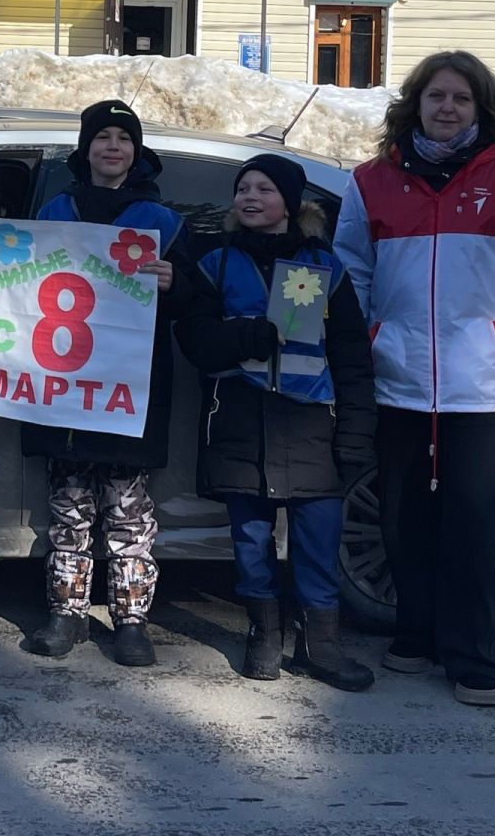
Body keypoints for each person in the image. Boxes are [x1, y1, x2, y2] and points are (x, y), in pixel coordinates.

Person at [334, 51, 495, 707]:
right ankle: (416, 633)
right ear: (416, 104)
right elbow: (349, 273)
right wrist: (357, 351)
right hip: (396, 377)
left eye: (461, 99)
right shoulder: (371, 182)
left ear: (482, 108)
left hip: (483, 387)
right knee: (403, 519)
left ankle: (474, 656)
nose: (447, 108)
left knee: (476, 522)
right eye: (436, 96)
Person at [175, 154, 375, 689]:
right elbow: (193, 338)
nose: (251, 196)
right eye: (243, 188)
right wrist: (249, 337)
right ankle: (263, 634)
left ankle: (321, 645)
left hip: (312, 422)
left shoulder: (324, 268)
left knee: (317, 536)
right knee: (250, 536)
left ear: (290, 202)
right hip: (239, 419)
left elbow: (351, 355)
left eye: (264, 188)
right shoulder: (214, 263)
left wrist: (356, 432)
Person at [20, 99, 183, 668]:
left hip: (128, 388)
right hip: (66, 386)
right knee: (68, 502)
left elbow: (196, 300)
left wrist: (174, 280)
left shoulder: (162, 221)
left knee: (128, 507)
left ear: (136, 152)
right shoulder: (55, 210)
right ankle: (67, 613)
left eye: (124, 138)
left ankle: (132, 619)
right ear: (86, 148)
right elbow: (17, 280)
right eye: (103, 136)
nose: (113, 146)